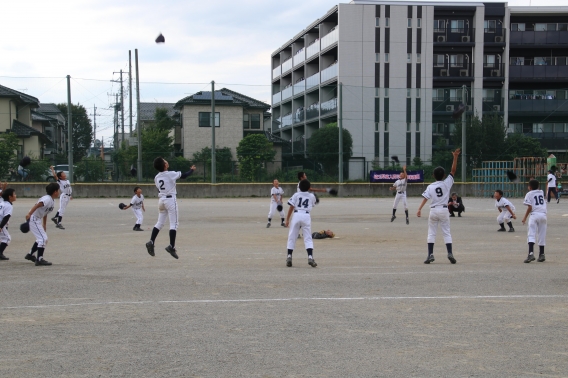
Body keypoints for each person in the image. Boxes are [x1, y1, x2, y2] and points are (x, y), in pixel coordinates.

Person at [145, 157, 196, 259]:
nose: (166, 161)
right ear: (165, 165)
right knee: (174, 223)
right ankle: (171, 246)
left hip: (161, 200)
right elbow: (184, 176)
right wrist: (192, 170)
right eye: (165, 161)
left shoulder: (156, 177)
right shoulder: (170, 174)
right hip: (170, 200)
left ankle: (151, 241)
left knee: (160, 223)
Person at [417, 148, 461, 264]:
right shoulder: (446, 183)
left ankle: (430, 254)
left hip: (433, 211)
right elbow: (453, 170)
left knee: (431, 233)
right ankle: (450, 253)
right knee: (446, 232)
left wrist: (419, 209)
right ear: (444, 175)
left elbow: (425, 198)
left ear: (433, 175)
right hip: (444, 210)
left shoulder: (431, 186)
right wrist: (455, 157)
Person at [25, 183, 60, 266]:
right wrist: (29, 214)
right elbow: (38, 205)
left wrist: (44, 224)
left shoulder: (51, 200)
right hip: (33, 218)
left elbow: (45, 212)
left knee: (40, 238)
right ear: (55, 191)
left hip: (37, 219)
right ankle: (39, 259)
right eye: (58, 190)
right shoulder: (47, 199)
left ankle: (30, 255)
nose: (59, 192)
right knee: (43, 239)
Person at [285, 179, 318, 268]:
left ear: (299, 187)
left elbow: (291, 207)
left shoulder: (296, 195)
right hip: (306, 215)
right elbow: (314, 203)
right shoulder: (311, 196)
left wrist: (287, 219)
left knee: (292, 236)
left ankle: (289, 257)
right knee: (307, 237)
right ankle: (310, 257)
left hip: (296, 215)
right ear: (308, 187)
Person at [521, 179, 547, 263]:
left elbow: (530, 207)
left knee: (531, 234)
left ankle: (530, 254)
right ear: (538, 186)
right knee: (541, 234)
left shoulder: (529, 194)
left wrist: (525, 217)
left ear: (530, 187)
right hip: (543, 215)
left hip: (534, 215)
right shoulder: (541, 192)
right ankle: (542, 254)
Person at [0, 188, 16, 260]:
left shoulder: (2, 203)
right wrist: (1, 227)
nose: (15, 195)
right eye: (14, 194)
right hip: (0, 224)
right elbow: (6, 217)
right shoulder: (8, 205)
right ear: (10, 196)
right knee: (6, 238)